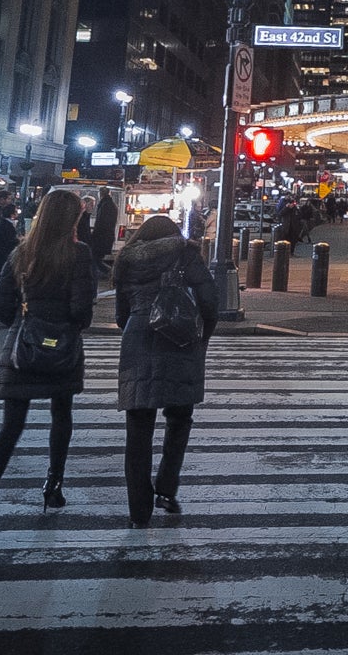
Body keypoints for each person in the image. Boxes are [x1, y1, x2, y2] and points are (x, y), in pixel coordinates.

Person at [0, 188, 95, 540]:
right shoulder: (79, 254)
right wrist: (67, 324)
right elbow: (81, 310)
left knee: (11, 427)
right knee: (61, 415)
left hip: (22, 344)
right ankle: (53, 483)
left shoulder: (22, 252)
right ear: (73, 219)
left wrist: (23, 322)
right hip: (62, 345)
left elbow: (0, 303)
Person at [114, 213, 219, 527]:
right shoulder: (185, 253)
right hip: (180, 337)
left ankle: (138, 511)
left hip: (137, 338)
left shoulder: (127, 260)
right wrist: (202, 336)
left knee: (138, 427)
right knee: (179, 418)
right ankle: (167, 488)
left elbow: (121, 314)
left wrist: (136, 324)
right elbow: (209, 301)